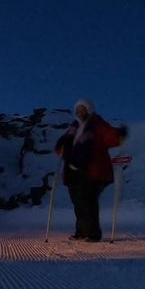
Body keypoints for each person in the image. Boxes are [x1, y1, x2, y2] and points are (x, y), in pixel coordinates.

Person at [54, 99, 128, 241]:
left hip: (92, 171)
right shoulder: (73, 128)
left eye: (83, 110)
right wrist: (60, 147)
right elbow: (63, 142)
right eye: (77, 111)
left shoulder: (97, 124)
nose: (80, 113)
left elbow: (109, 135)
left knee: (87, 201)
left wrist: (118, 135)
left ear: (89, 110)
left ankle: (93, 233)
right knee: (78, 202)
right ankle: (81, 232)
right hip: (73, 172)